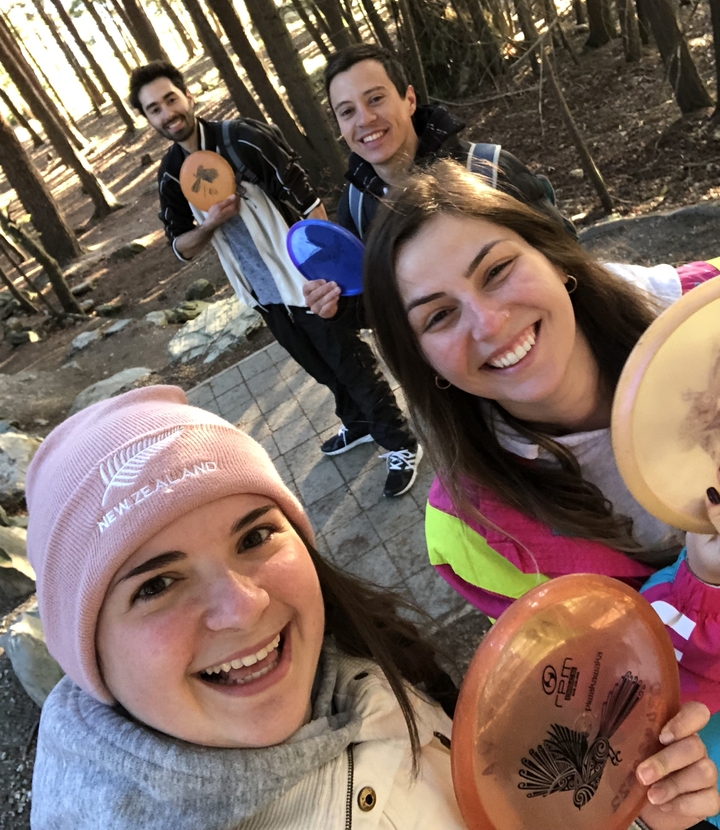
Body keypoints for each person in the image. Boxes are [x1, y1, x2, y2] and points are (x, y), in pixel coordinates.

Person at [24, 386, 718, 830]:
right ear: (89, 656)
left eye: (255, 536)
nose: (240, 606)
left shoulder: (358, 671)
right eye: (155, 585)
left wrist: (627, 807)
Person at [363, 160, 720, 826]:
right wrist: (702, 582)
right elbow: (609, 699)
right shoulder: (470, 531)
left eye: (496, 270)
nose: (489, 322)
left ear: (555, 256)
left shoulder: (706, 316)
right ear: (424, 364)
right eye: (439, 315)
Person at [128, 61, 421, 498]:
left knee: (348, 361)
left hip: (301, 279)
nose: (167, 113)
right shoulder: (172, 174)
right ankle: (358, 424)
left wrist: (325, 272)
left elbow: (307, 200)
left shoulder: (242, 138)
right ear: (148, 119)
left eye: (171, 99)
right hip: (262, 293)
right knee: (318, 365)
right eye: (154, 109)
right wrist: (211, 224)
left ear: (187, 96)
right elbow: (181, 246)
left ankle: (400, 442)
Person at [303, 42, 574, 322]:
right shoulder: (355, 207)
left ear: (409, 99)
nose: (365, 119)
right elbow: (383, 309)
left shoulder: (489, 171)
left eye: (375, 99)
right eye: (347, 112)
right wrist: (340, 305)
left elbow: (565, 255)